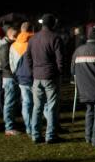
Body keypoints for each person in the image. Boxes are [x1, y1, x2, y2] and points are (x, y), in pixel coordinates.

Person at [25, 13, 65, 144]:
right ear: (53, 24)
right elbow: (60, 59)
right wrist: (59, 72)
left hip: (37, 76)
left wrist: (33, 71)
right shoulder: (55, 38)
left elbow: (28, 58)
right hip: (50, 76)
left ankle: (35, 135)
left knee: (37, 107)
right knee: (52, 106)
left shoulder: (33, 38)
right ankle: (50, 135)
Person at [10, 22, 35, 137]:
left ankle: (29, 128)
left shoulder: (14, 45)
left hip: (21, 77)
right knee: (40, 103)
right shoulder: (34, 42)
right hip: (34, 76)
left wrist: (17, 74)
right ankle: (39, 127)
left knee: (26, 103)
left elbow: (12, 64)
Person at [0, 26, 20, 136]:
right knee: (9, 102)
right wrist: (15, 72)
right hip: (9, 77)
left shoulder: (8, 45)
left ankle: (11, 124)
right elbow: (5, 64)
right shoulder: (5, 46)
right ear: (11, 35)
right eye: (15, 36)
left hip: (10, 77)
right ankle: (9, 127)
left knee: (11, 101)